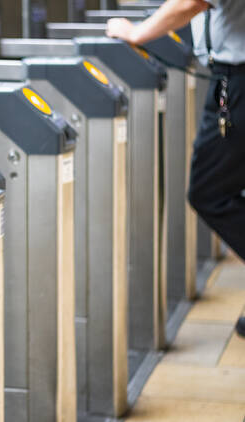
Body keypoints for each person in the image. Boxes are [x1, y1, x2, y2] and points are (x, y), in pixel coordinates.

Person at [106, 0, 245, 335]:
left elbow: (190, 3)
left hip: (238, 81)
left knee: (209, 191)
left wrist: (137, 32)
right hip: (230, 77)